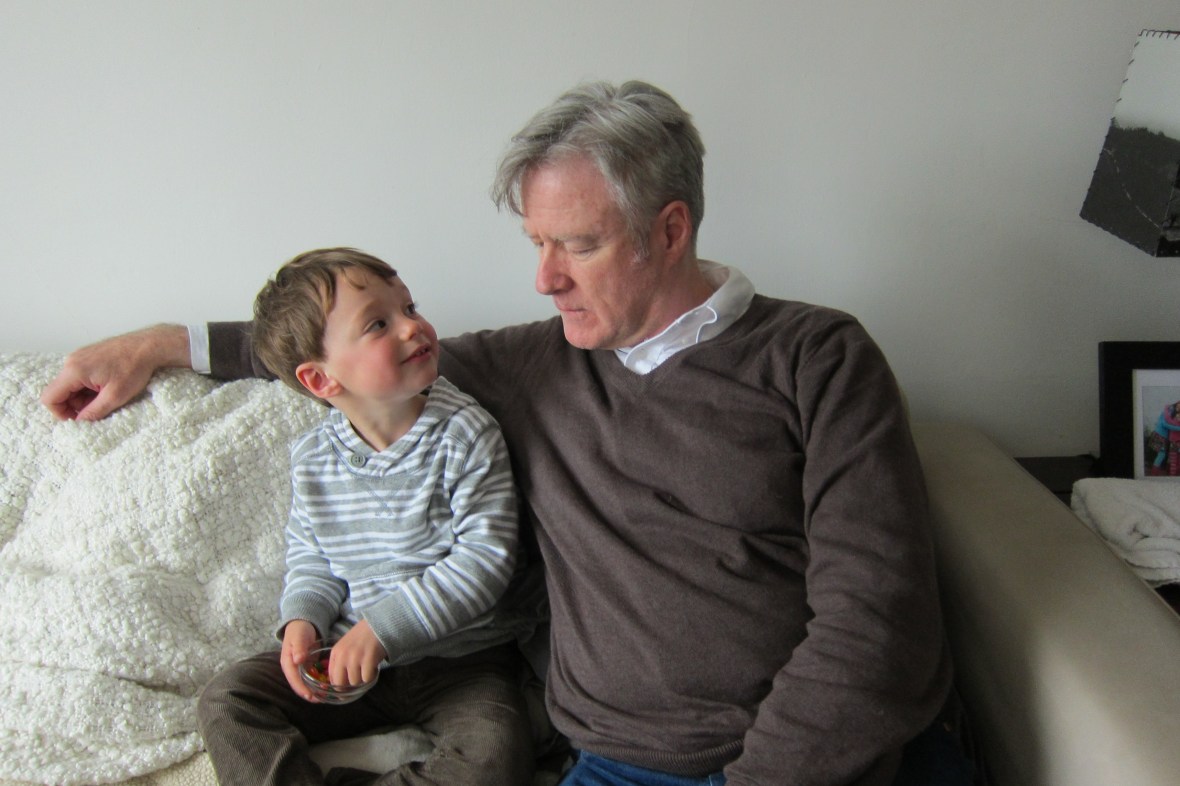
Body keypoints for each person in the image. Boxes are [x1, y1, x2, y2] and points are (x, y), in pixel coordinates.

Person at [43, 81, 966, 785]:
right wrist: (162, 344)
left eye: (578, 245)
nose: (545, 280)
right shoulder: (539, 362)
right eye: (536, 244)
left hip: (798, 764)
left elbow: (879, 618)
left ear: (668, 230)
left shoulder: (817, 357)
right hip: (614, 762)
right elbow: (334, 353)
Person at [195, 248, 535, 786]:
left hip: (460, 660)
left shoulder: (467, 433)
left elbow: (484, 562)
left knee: (498, 755)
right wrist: (303, 619)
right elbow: (312, 557)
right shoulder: (313, 457)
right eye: (378, 323)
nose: (411, 326)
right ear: (320, 380)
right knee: (226, 700)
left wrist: (383, 629)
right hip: (347, 656)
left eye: (409, 307)